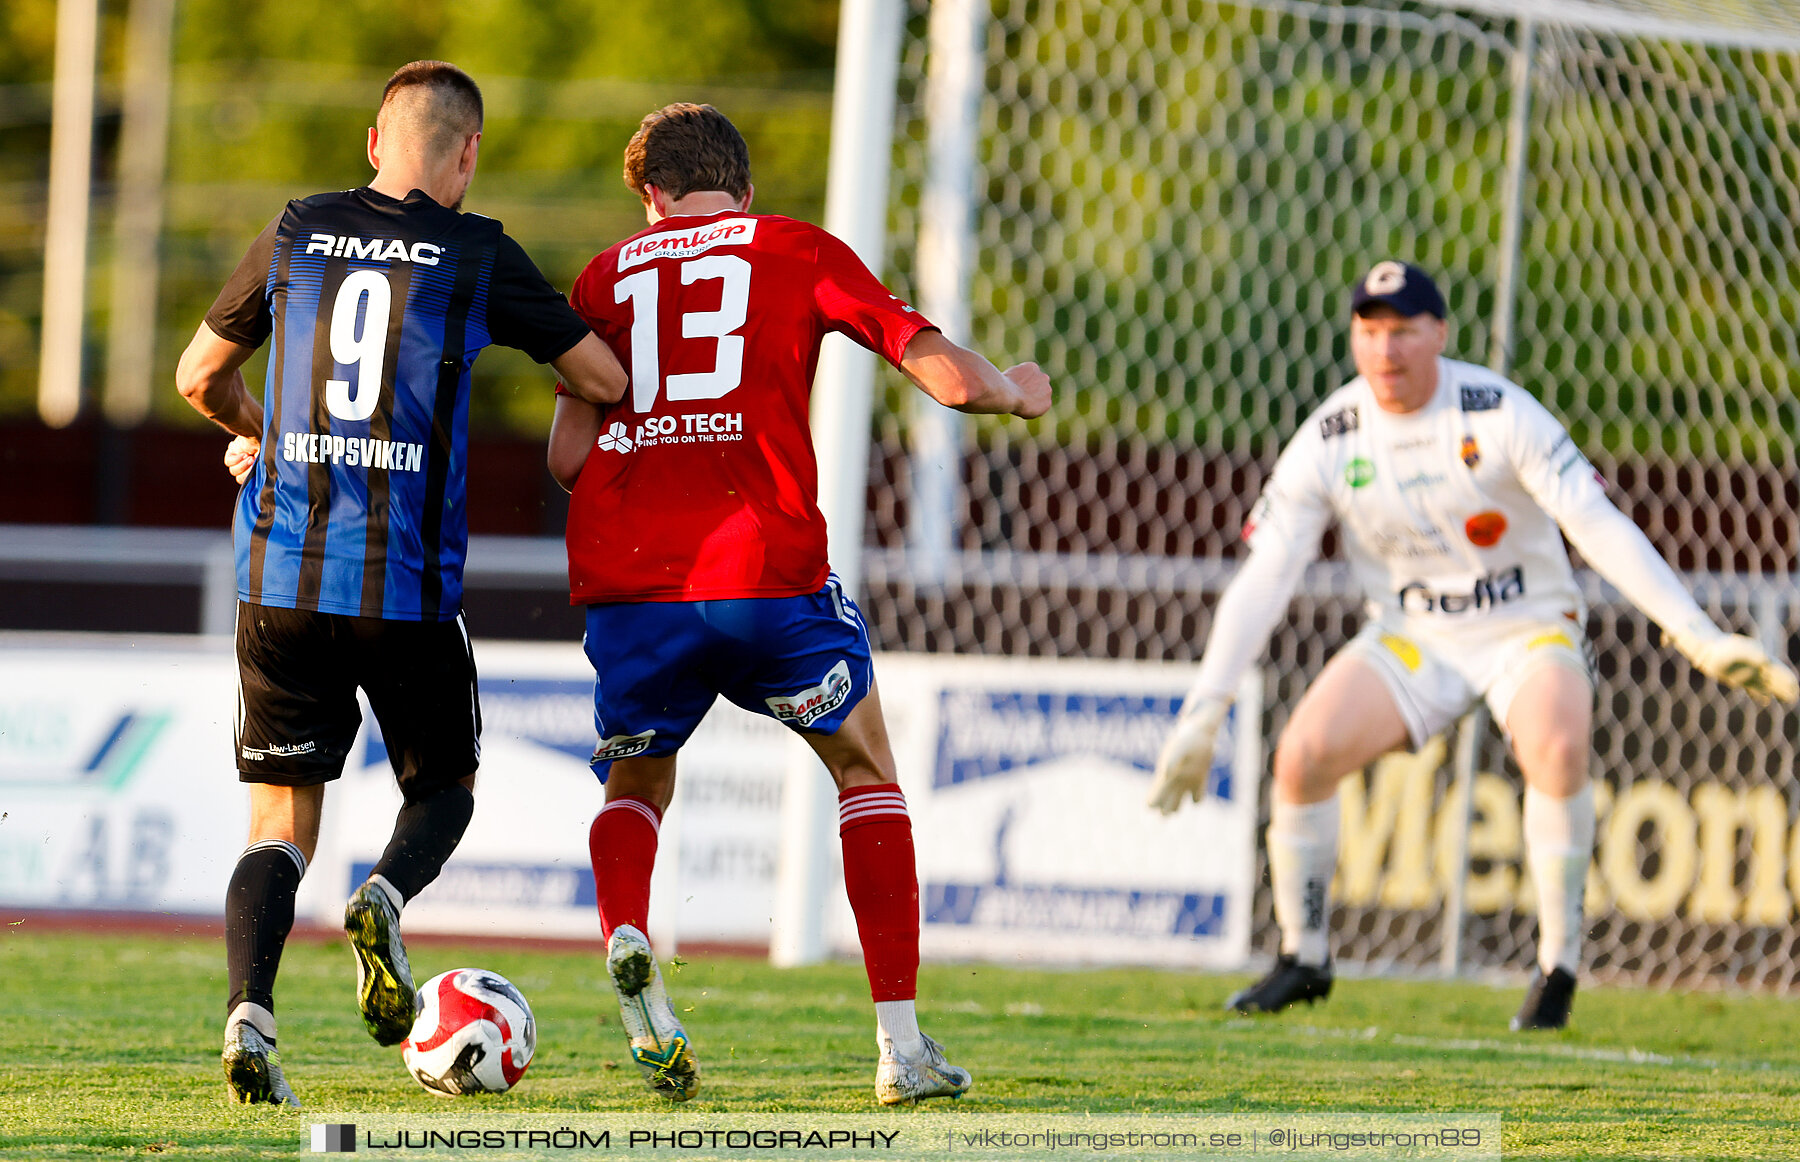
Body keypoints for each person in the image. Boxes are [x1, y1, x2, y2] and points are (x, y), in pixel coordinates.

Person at [547, 103, 1051, 1105]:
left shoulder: (604, 277)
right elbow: (944, 380)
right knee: (863, 766)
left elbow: (567, 457)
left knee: (636, 786)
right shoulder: (792, 247)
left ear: (649, 195)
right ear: (744, 186)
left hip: (634, 584)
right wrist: (1018, 390)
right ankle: (901, 1047)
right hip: (765, 576)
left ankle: (628, 936)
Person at [1147, 260, 1796, 1030]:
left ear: (1440, 335)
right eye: (1370, 332)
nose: (1386, 351)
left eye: (1404, 332)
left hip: (1526, 628)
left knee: (1556, 746)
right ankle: (1305, 956)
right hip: (1413, 638)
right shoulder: (1332, 433)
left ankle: (1557, 968)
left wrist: (1695, 631)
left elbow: (1596, 523)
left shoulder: (1496, 413)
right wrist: (1205, 707)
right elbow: (1268, 574)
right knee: (1301, 756)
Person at [176, 60, 626, 1106]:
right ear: (467, 154)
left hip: (281, 577)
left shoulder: (296, 229)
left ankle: (250, 1013)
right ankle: (384, 890)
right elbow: (602, 378)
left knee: (281, 824)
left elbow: (199, 375)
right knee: (443, 787)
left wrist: (269, 439)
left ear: (376, 144)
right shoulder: (476, 250)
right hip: (406, 590)